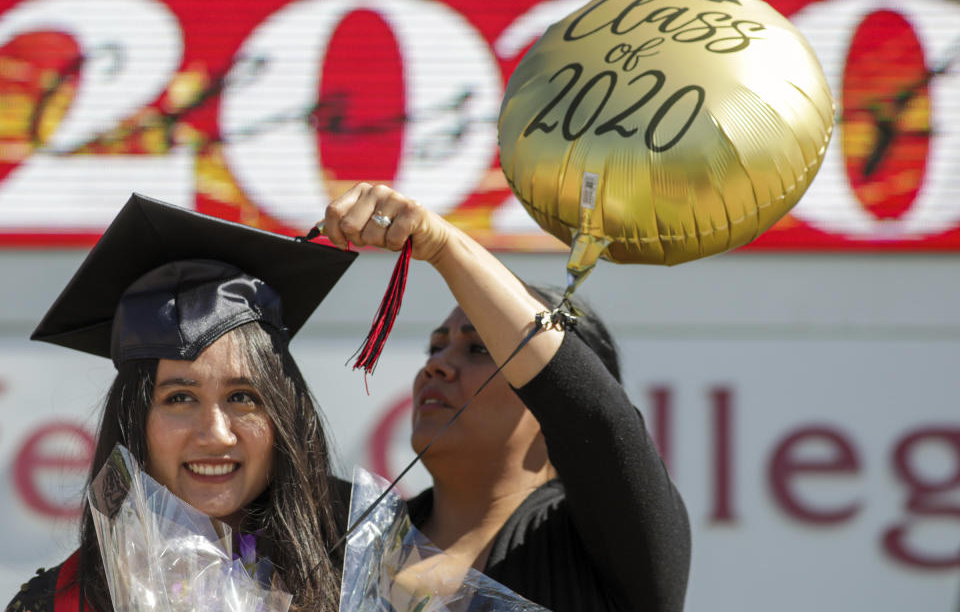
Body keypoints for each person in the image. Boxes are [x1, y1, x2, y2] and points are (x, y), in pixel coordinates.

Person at [322, 183, 691, 612]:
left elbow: (599, 419)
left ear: (556, 393)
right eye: (435, 347)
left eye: (480, 349)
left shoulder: (606, 550)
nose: (435, 366)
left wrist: (443, 245)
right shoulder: (346, 540)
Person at [5, 194, 356, 612]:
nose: (215, 433)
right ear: (135, 420)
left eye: (242, 397)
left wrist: (440, 246)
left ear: (284, 416)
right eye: (180, 398)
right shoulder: (58, 603)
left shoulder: (356, 581)